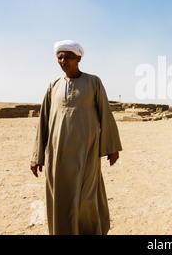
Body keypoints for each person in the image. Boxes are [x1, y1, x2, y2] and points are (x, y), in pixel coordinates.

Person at [30, 40, 123, 235]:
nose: (63, 60)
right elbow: (43, 121)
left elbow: (105, 114)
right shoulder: (53, 86)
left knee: (87, 198)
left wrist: (111, 147)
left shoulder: (93, 82)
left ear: (78, 58)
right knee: (60, 199)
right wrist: (37, 156)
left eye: (67, 57)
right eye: (60, 57)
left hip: (86, 152)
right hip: (58, 155)